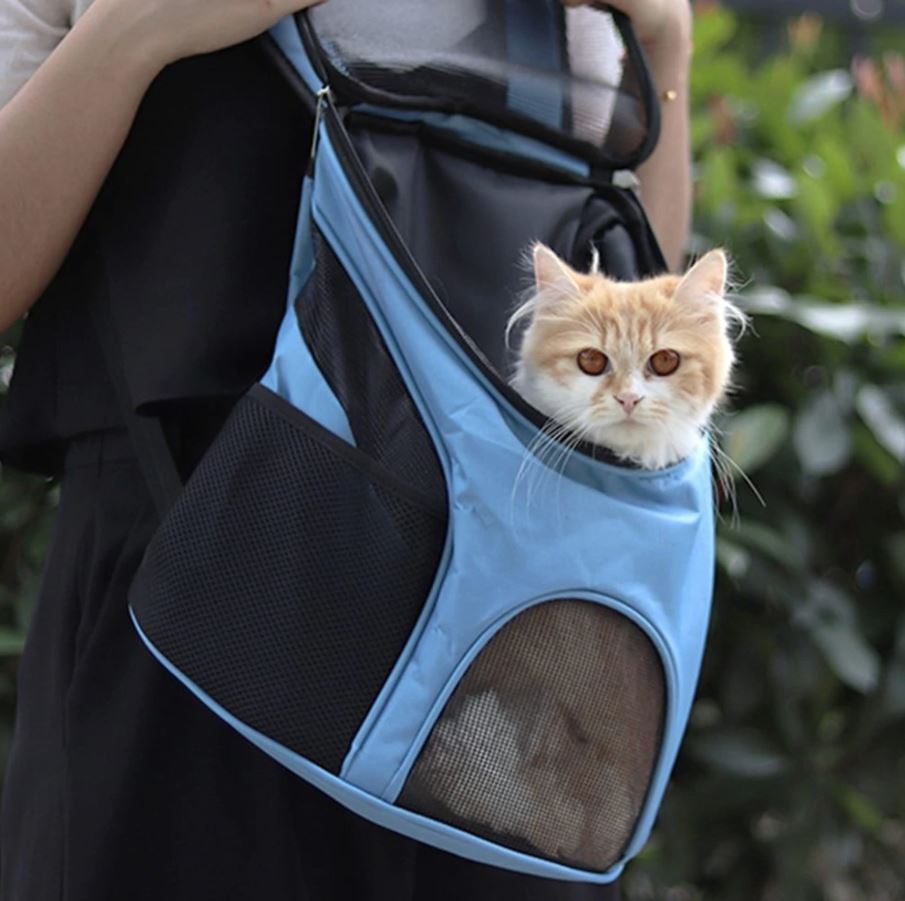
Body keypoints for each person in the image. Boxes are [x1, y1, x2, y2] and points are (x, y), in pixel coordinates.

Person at [0, 0, 692, 898]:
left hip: (503, 663)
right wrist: (135, 30)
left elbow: (638, 315)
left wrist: (665, 39)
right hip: (191, 603)